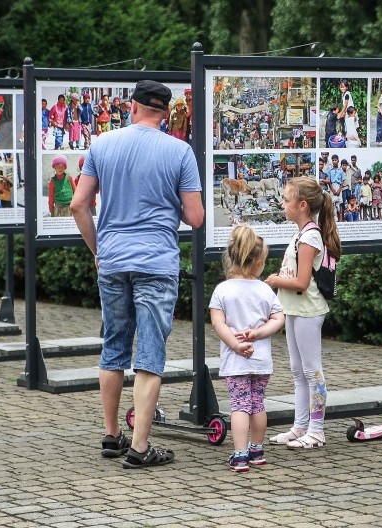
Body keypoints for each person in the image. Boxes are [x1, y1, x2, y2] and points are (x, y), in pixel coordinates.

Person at [70, 80, 204, 469]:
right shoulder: (180, 151)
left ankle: (112, 435)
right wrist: (167, 200)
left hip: (112, 260)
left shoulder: (102, 145)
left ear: (132, 107)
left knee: (113, 346)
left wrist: (99, 250)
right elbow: (195, 217)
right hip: (157, 262)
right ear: (165, 113)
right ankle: (140, 448)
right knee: (149, 354)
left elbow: (79, 205)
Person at [265, 177, 341, 449]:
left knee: (312, 372)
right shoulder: (301, 233)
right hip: (294, 310)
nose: (283, 204)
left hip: (308, 311)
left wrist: (274, 280)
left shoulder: (310, 236)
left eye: (287, 200)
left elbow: (300, 281)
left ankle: (317, 430)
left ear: (302, 205)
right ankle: (300, 426)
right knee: (298, 371)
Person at [209, 226, 284, 472]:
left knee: (240, 405)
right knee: (258, 404)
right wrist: (258, 333)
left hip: (236, 359)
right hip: (261, 359)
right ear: (259, 261)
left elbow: (218, 323)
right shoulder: (265, 289)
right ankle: (257, 450)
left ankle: (240, 455)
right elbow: (278, 319)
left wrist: (236, 344)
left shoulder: (223, 290)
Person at [327, 154, 344, 220]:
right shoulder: (330, 170)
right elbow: (329, 181)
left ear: (338, 161)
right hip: (332, 187)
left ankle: (340, 218)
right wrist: (333, 190)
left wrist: (339, 190)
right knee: (333, 203)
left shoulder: (341, 170)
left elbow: (342, 182)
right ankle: (334, 218)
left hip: (339, 187)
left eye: (335, 160)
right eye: (333, 160)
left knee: (339, 204)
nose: (334, 161)